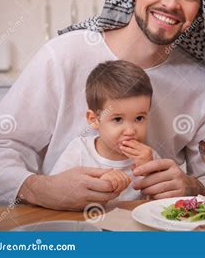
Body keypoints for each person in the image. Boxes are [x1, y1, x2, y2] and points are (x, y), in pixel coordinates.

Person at [0, 0, 205, 210]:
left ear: (199, 12)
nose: (171, 3)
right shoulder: (63, 55)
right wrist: (38, 188)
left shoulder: (200, 83)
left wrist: (194, 187)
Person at [50, 60, 162, 201]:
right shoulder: (80, 151)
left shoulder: (150, 157)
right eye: (117, 119)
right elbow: (56, 191)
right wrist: (97, 181)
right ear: (94, 120)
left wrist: (149, 170)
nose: (130, 131)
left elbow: (161, 205)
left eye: (139, 118)